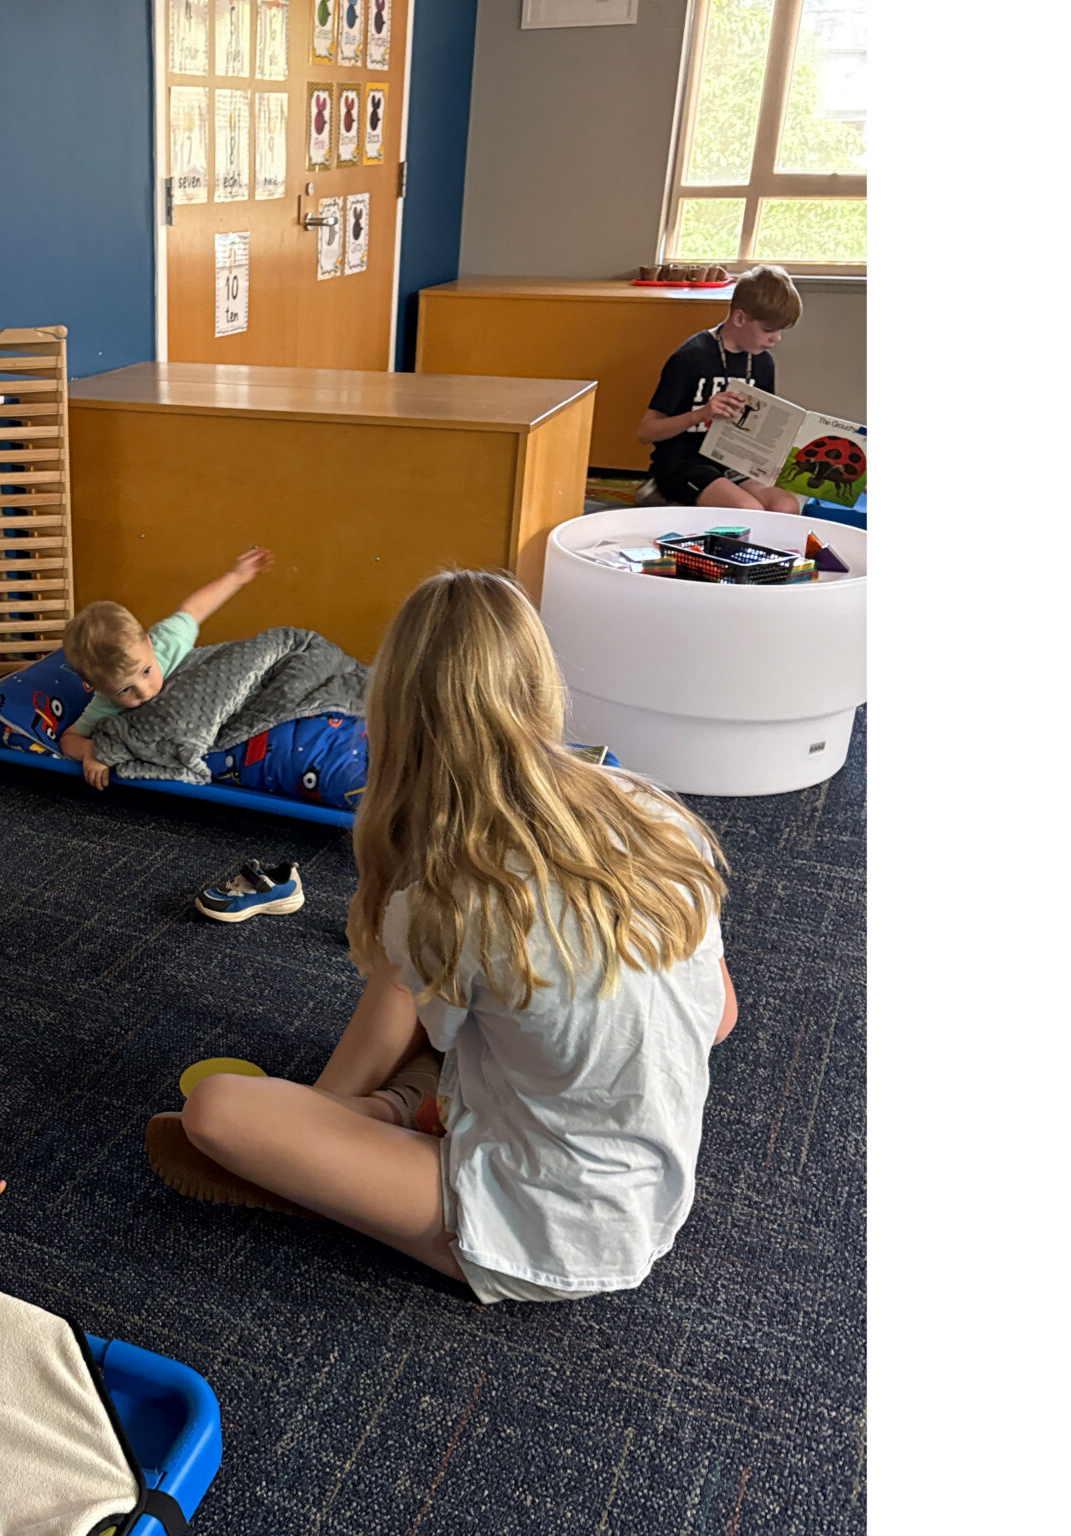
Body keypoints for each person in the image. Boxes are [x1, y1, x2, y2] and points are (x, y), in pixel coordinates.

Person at [144, 569, 739, 1303]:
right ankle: (381, 1117)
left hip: (539, 1236)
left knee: (219, 1111)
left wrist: (326, 1119)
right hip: (658, 1195)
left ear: (392, 712)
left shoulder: (447, 892)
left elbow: (413, 992)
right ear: (540, 684)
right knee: (458, 995)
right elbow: (719, 1018)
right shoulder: (653, 809)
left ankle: (357, 1133)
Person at [58, 545, 275, 789]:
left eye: (146, 671)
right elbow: (69, 738)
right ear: (98, 688)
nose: (144, 691)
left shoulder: (168, 642)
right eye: (124, 690)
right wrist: (91, 751)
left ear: (149, 643)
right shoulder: (105, 704)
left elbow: (194, 608)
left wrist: (236, 576)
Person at [638, 263, 806, 513]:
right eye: (768, 330)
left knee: (786, 506)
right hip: (683, 463)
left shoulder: (762, 361)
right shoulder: (691, 357)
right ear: (739, 318)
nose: (776, 338)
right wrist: (700, 415)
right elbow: (645, 432)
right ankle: (664, 496)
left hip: (733, 462)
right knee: (749, 510)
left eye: (780, 330)